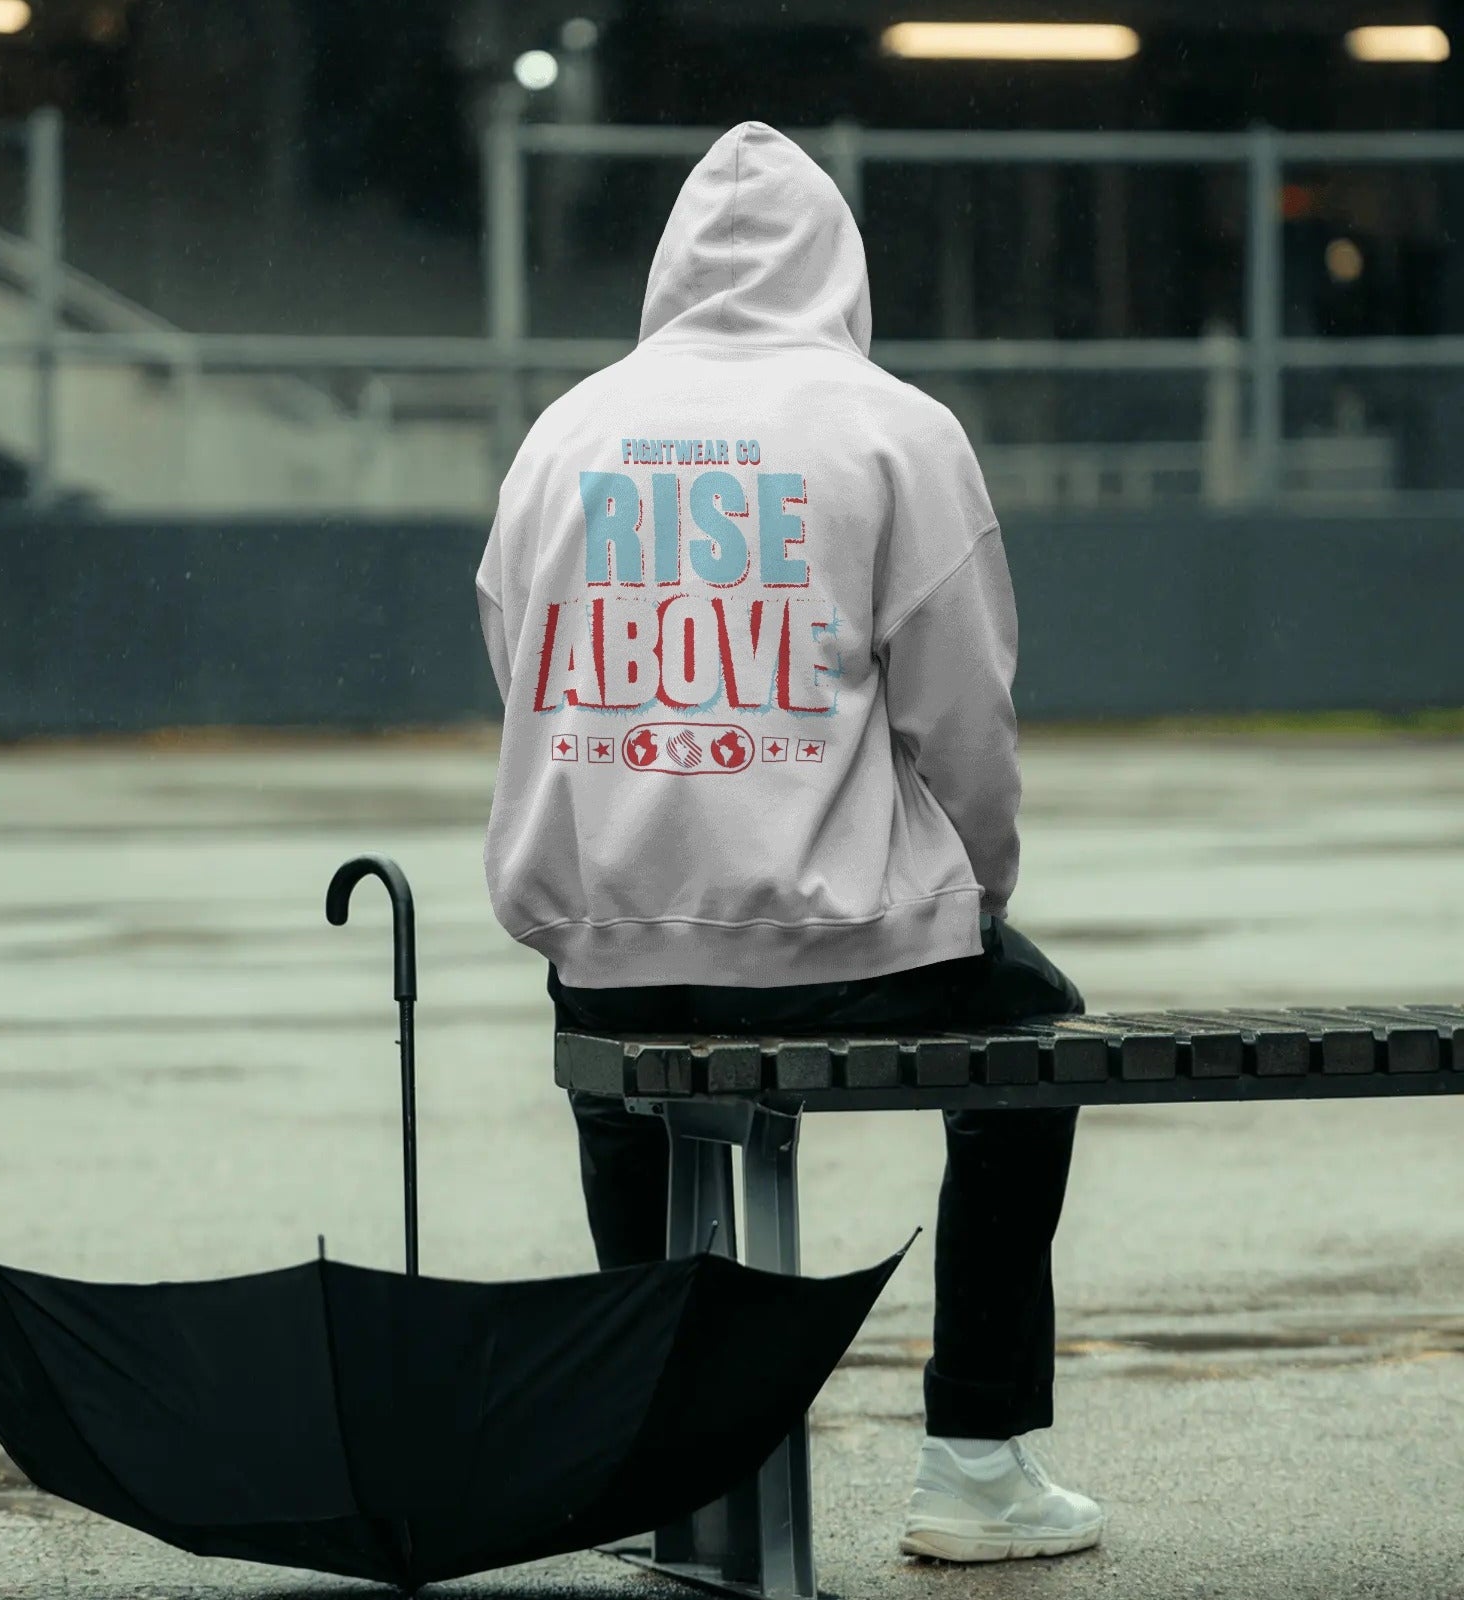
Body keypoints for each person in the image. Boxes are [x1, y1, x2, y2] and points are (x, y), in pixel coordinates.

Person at [474, 119, 1104, 1565]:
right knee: (1039, 1036)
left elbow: (523, 670)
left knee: (616, 1044)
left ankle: (657, 1461)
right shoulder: (893, 428)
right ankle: (976, 1459)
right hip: (852, 955)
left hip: (617, 953)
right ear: (841, 265)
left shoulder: (565, 431)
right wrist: (976, 899)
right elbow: (968, 720)